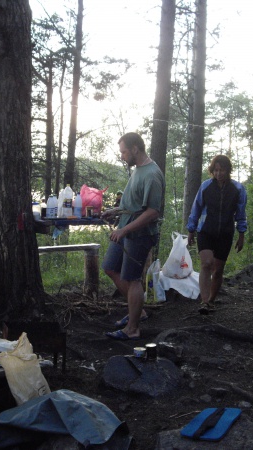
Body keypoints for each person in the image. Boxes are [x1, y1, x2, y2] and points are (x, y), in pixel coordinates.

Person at [101, 132, 165, 340]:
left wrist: (124, 230)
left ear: (135, 149)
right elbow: (133, 202)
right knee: (110, 267)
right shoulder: (138, 169)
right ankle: (138, 311)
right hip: (125, 227)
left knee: (132, 278)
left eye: (124, 152)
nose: (122, 156)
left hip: (139, 234)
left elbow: (152, 212)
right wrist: (115, 211)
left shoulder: (152, 174)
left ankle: (133, 329)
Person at [186, 155, 247, 314]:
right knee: (206, 264)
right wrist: (191, 230)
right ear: (212, 171)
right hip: (205, 231)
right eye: (216, 170)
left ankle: (211, 301)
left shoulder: (238, 189)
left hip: (225, 233)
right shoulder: (205, 186)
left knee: (218, 270)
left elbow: (241, 214)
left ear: (228, 170)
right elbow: (196, 209)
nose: (219, 173)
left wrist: (241, 234)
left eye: (222, 170)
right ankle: (204, 301)